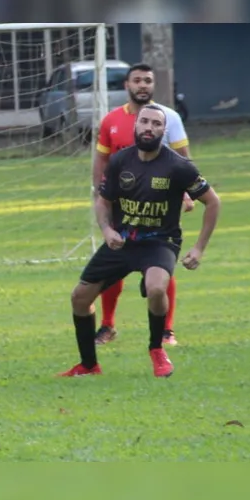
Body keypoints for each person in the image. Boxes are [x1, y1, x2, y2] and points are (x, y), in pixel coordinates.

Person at [59, 105, 220, 378]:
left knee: (156, 288)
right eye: (144, 122)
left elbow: (212, 202)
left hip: (160, 241)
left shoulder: (178, 167)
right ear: (135, 126)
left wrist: (198, 248)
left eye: (156, 124)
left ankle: (157, 349)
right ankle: (88, 365)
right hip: (122, 241)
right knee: (79, 297)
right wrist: (107, 230)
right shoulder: (121, 160)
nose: (149, 127)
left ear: (163, 130)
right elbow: (104, 201)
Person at [92, 62, 194, 347]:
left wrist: (186, 194)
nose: (142, 85)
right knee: (113, 265)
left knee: (162, 265)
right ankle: (107, 325)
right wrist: (98, 193)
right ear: (127, 85)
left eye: (147, 80)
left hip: (160, 206)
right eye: (137, 80)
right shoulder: (110, 120)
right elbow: (102, 160)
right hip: (120, 207)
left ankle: (166, 330)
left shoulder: (169, 117)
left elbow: (184, 159)